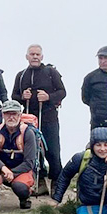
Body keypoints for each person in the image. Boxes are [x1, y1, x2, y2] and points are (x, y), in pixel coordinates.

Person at [11, 44, 66, 196]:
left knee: (52, 151)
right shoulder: (21, 75)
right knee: (33, 151)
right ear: (27, 56)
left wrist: (49, 97)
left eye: (37, 54)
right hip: (28, 118)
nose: (35, 57)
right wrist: (23, 97)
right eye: (32, 54)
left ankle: (56, 182)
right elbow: (14, 96)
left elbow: (62, 92)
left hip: (48, 116)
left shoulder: (51, 72)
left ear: (42, 57)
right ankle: (40, 181)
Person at [0, 100, 37, 214]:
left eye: (14, 114)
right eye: (7, 114)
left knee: (19, 187)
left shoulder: (28, 133)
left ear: (20, 115)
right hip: (3, 168)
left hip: (21, 171)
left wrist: (3, 176)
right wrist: (3, 169)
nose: (11, 117)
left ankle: (25, 198)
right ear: (3, 115)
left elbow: (29, 163)